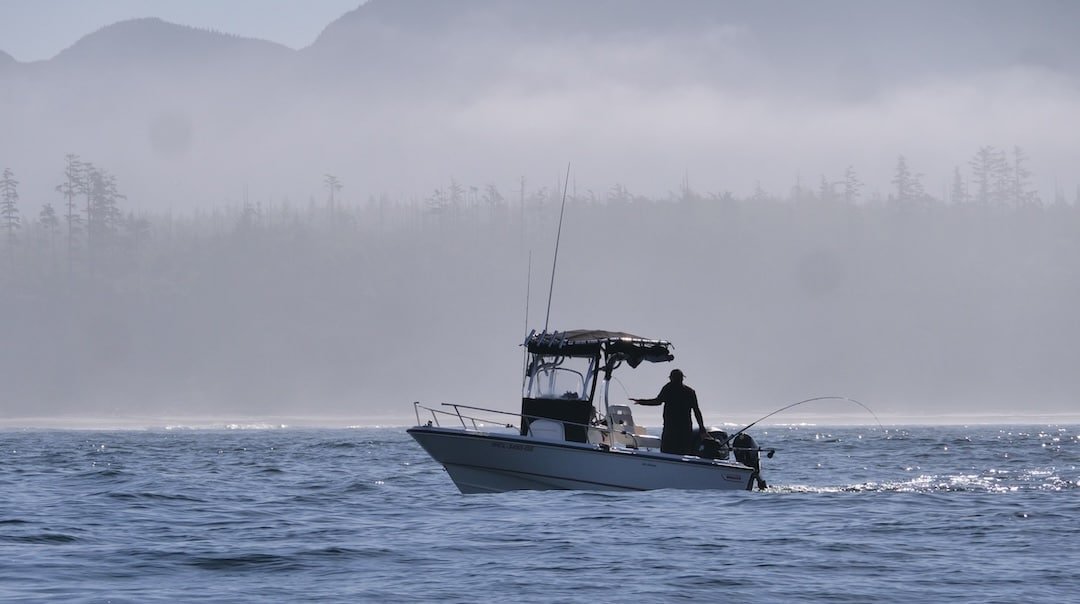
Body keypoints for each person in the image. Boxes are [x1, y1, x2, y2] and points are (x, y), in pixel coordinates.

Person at [631, 369, 708, 455]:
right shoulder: (689, 392)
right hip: (683, 428)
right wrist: (702, 428)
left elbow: (657, 401)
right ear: (682, 379)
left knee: (667, 452)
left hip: (672, 428)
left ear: (671, 378)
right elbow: (697, 411)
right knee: (683, 453)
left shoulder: (669, 388)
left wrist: (641, 402)